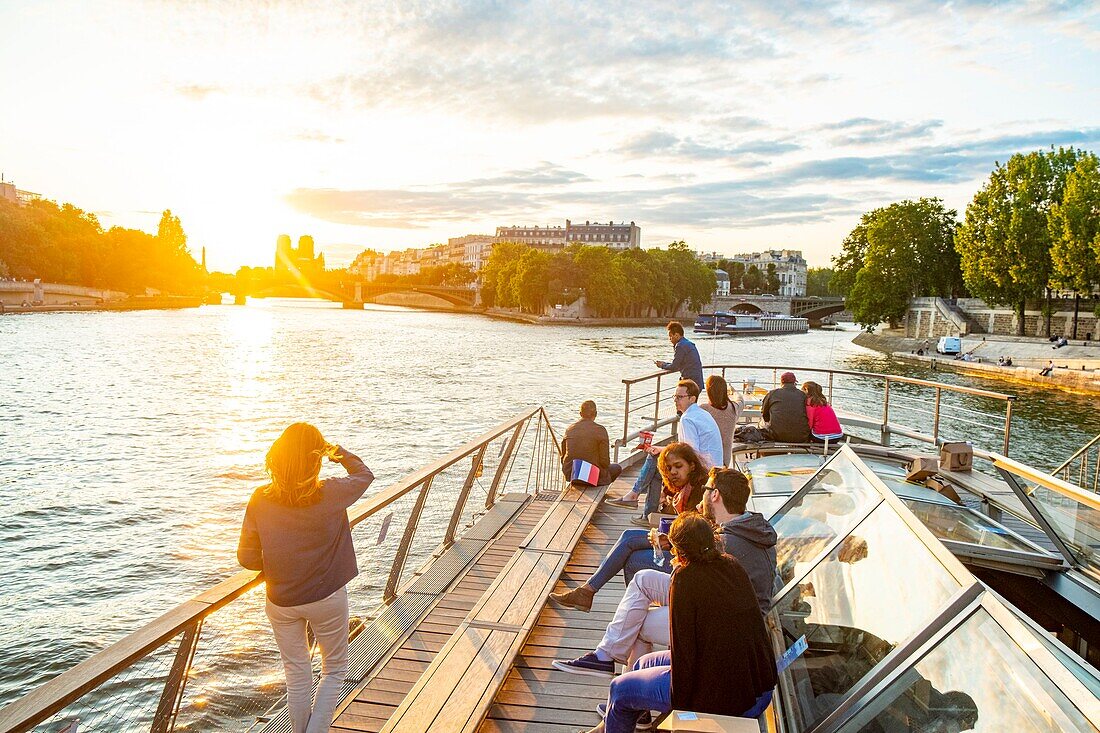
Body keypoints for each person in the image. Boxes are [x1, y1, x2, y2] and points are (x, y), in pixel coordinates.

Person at [553, 468, 778, 684]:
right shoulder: (753, 529)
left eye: (706, 490)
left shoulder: (727, 543)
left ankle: (630, 699)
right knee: (643, 578)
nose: (703, 494)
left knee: (636, 623)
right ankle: (605, 659)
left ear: (716, 495)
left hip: (727, 626)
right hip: (726, 607)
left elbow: (695, 587)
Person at [580, 514, 777, 733]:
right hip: (757, 687)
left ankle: (616, 724)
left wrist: (680, 707)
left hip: (727, 697)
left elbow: (683, 649)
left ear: (679, 551)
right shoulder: (732, 565)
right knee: (641, 664)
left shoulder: (685, 579)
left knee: (620, 689)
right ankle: (607, 727)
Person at [237, 423, 375, 733]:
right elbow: (364, 476)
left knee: (297, 675)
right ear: (316, 458)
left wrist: (279, 561)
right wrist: (337, 452)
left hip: (282, 600)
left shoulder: (260, 498)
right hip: (326, 599)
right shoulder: (330, 492)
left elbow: (246, 558)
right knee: (335, 669)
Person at [548, 443, 709, 613]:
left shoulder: (698, 492)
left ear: (692, 466)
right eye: (668, 468)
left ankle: (622, 612)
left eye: (678, 466)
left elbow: (696, 537)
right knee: (629, 538)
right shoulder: (685, 490)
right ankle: (600, 599)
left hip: (692, 564)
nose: (673, 472)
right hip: (683, 550)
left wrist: (669, 540)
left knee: (632, 555)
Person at [612, 380, 722, 522]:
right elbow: (687, 449)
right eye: (675, 397)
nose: (676, 400)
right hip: (713, 466)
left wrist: (662, 451)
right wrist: (662, 450)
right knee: (657, 459)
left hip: (703, 469)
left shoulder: (687, 419)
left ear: (692, 398)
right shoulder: (702, 414)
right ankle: (641, 506)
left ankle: (637, 499)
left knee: (657, 464)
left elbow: (690, 451)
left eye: (680, 397)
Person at [561, 400, 622, 486]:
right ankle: (596, 485)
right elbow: (605, 462)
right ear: (596, 414)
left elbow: (563, 456)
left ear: (580, 414)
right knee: (617, 468)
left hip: (571, 473)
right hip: (591, 476)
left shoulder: (569, 429)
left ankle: (581, 478)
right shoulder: (601, 430)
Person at [700, 374, 745, 467]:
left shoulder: (703, 409)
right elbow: (741, 400)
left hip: (706, 460)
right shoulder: (734, 408)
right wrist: (733, 391)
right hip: (724, 460)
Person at [761, 371, 811, 443]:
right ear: (794, 383)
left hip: (776, 436)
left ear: (781, 382)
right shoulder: (803, 395)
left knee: (761, 423)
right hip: (801, 436)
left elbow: (764, 413)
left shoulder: (772, 393)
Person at [654, 321, 704, 390]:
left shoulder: (680, 346)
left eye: (671, 337)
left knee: (679, 398)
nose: (670, 340)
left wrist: (662, 365)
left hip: (691, 384)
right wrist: (665, 364)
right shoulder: (687, 343)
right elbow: (678, 364)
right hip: (697, 382)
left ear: (677, 335)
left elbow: (675, 366)